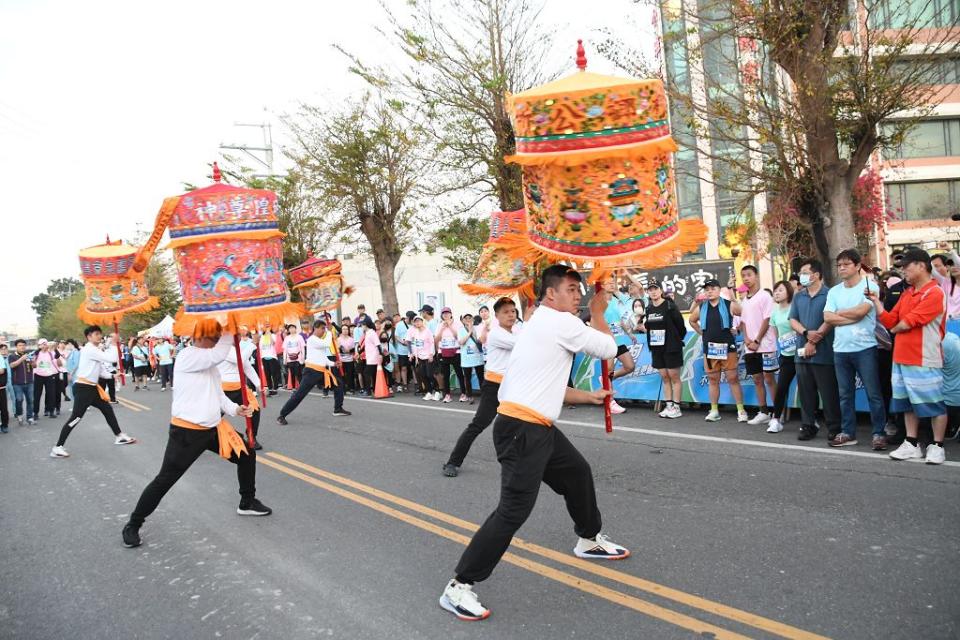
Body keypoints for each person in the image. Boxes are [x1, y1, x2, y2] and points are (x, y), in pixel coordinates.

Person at [439, 266, 629, 622]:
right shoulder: (559, 322)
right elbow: (606, 348)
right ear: (550, 293)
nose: (578, 296)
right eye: (571, 290)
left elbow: (544, 384)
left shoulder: (539, 323)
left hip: (532, 426)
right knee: (513, 511)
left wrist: (588, 397)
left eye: (580, 291)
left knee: (576, 473)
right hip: (522, 430)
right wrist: (601, 312)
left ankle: (588, 538)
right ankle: (459, 586)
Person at [122, 320, 270, 548]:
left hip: (213, 428)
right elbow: (220, 353)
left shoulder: (209, 360)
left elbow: (218, 394)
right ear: (203, 337)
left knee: (247, 453)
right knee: (165, 480)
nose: (218, 340)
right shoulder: (188, 356)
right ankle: (133, 523)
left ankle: (247, 501)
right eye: (215, 336)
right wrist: (232, 330)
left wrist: (235, 409)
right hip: (187, 432)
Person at [870, 248, 949, 464]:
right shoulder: (907, 293)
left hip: (925, 357)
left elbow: (907, 322)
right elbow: (890, 320)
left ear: (922, 265)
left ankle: (937, 446)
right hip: (901, 357)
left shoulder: (935, 292)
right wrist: (877, 303)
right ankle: (912, 443)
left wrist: (896, 327)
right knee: (905, 404)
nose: (903, 270)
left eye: (907, 266)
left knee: (934, 403)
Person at [443, 298, 523, 477]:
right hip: (494, 386)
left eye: (513, 311)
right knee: (478, 425)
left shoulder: (517, 331)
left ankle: (521, 461)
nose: (511, 314)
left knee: (523, 424)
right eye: (506, 312)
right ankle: (453, 462)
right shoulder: (496, 333)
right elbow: (524, 345)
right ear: (497, 316)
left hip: (513, 387)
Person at [823, 249, 887, 449]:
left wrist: (840, 314)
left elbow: (862, 312)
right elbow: (827, 317)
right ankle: (848, 432)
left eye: (846, 264)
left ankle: (879, 433)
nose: (841, 268)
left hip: (865, 348)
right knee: (845, 394)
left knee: (873, 393)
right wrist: (847, 316)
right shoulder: (834, 291)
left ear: (858, 265)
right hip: (840, 349)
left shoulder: (870, 286)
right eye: (839, 265)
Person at [50, 325, 136, 458]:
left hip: (92, 388)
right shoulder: (89, 349)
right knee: (76, 418)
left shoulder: (95, 350)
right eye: (96, 334)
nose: (99, 336)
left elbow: (101, 371)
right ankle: (58, 447)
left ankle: (119, 436)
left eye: (99, 334)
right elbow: (111, 359)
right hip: (83, 388)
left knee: (107, 410)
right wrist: (114, 343)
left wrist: (112, 376)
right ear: (89, 337)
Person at [789, 259, 841, 441]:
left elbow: (830, 319)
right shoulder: (799, 296)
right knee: (806, 392)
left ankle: (834, 426)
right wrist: (805, 332)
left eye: (804, 272)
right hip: (801, 353)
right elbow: (792, 319)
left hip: (824, 352)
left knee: (828, 392)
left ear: (816, 274)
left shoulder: (830, 294)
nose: (801, 276)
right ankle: (808, 424)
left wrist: (814, 339)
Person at [689, 279, 746, 423]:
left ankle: (741, 410)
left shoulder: (729, 305)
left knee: (733, 378)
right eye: (707, 289)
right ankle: (714, 410)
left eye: (713, 288)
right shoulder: (701, 307)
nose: (709, 291)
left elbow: (745, 315)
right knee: (713, 380)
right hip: (710, 349)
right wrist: (702, 333)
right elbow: (692, 320)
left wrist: (738, 329)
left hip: (728, 348)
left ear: (719, 289)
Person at [276, 320, 350, 425]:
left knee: (339, 384)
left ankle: (338, 409)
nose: (324, 331)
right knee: (299, 394)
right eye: (322, 329)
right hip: (311, 372)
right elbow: (326, 343)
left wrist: (334, 364)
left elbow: (323, 358)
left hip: (322, 372)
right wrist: (329, 332)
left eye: (325, 329)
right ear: (316, 328)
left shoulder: (319, 340)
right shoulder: (312, 340)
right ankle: (282, 415)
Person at [737, 265, 778, 425]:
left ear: (756, 276)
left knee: (769, 379)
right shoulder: (745, 300)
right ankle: (763, 411)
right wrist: (747, 339)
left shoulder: (765, 296)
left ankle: (777, 412)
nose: (746, 278)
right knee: (757, 379)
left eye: (749, 275)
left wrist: (757, 340)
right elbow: (744, 322)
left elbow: (767, 319)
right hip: (750, 347)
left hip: (765, 345)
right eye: (743, 276)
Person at [643, 281, 686, 419]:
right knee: (664, 377)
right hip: (656, 348)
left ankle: (677, 407)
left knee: (674, 377)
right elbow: (648, 327)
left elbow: (681, 327)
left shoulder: (669, 306)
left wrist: (675, 340)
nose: (653, 292)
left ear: (661, 290)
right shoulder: (648, 308)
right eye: (650, 290)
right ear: (648, 292)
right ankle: (668, 406)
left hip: (672, 347)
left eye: (655, 289)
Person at [218, 333, 263, 450]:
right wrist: (253, 344)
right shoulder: (223, 348)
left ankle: (252, 437)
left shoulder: (236, 349)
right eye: (235, 335)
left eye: (238, 335)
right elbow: (240, 359)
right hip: (224, 390)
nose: (238, 337)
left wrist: (259, 384)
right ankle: (196, 438)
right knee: (213, 417)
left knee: (254, 410)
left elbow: (247, 366)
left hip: (240, 388)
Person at [601, 276, 635, 415]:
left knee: (630, 366)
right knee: (608, 370)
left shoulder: (617, 301)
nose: (611, 285)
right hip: (607, 341)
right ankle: (610, 402)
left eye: (612, 282)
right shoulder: (599, 302)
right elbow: (593, 320)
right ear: (602, 286)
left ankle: (606, 380)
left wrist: (629, 334)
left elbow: (621, 321)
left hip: (619, 340)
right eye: (607, 283)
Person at [767, 281, 797, 434]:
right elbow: (776, 333)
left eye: (780, 290)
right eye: (775, 290)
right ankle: (776, 420)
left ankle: (811, 421)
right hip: (786, 356)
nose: (776, 293)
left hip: (801, 355)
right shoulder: (774, 312)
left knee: (808, 388)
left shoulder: (795, 307)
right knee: (781, 388)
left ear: (789, 292)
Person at [435, 308, 466, 403]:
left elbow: (459, 337)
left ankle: (463, 393)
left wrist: (450, 326)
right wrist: (442, 328)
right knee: (446, 375)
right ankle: (447, 394)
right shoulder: (440, 325)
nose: (446, 315)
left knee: (459, 373)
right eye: (444, 314)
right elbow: (436, 339)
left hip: (456, 352)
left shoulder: (458, 324)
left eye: (447, 313)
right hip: (443, 352)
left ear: (451, 314)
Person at [408, 316, 438, 400]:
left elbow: (432, 343)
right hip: (420, 357)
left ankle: (437, 391)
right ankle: (429, 392)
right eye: (415, 321)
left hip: (428, 356)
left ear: (422, 321)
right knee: (423, 375)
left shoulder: (428, 331)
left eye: (419, 321)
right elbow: (414, 345)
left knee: (430, 374)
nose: (417, 323)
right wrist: (413, 355)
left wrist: (431, 354)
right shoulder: (415, 332)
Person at [458, 314, 485, 403]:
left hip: (477, 357)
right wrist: (469, 332)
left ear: (473, 319)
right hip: (466, 358)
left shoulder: (477, 329)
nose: (468, 319)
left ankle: (484, 395)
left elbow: (481, 340)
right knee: (467, 378)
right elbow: (461, 342)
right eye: (466, 318)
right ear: (463, 320)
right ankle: (469, 395)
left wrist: (474, 332)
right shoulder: (461, 330)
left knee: (481, 377)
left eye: (470, 318)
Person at [8, 339, 35, 425]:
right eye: (20, 345)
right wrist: (21, 359)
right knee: (19, 400)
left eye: (23, 345)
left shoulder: (28, 355)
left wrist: (32, 361)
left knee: (30, 400)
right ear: (16, 347)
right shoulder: (12, 356)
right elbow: (12, 365)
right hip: (17, 383)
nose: (22, 347)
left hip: (30, 382)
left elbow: (35, 366)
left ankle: (30, 417)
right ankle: (19, 415)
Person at [932, 241, 960, 318]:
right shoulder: (945, 282)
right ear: (947, 267)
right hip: (949, 325)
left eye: (956, 264)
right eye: (950, 265)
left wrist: (950, 250)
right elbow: (931, 270)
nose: (954, 267)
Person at [360, 317, 382, 396]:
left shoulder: (372, 333)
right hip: (370, 357)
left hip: (373, 357)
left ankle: (368, 391)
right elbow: (365, 346)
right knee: (372, 374)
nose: (361, 326)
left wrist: (380, 355)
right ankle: (374, 390)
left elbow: (378, 345)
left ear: (366, 325)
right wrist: (359, 353)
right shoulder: (368, 333)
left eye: (362, 325)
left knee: (366, 373)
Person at [259, 326, 281, 395]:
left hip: (272, 357)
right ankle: (270, 388)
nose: (266, 329)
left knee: (274, 373)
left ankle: (275, 388)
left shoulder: (273, 335)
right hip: (264, 357)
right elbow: (260, 348)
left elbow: (272, 343)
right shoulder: (262, 337)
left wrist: (269, 334)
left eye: (267, 327)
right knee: (267, 374)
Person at [282, 324, 305, 389]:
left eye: (293, 328)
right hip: (290, 359)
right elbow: (285, 349)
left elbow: (302, 347)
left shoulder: (299, 337)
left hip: (298, 358)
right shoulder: (287, 338)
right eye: (290, 328)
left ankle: (301, 387)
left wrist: (303, 358)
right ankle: (294, 387)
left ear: (295, 329)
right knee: (292, 374)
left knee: (299, 373)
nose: (292, 329)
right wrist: (284, 359)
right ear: (288, 330)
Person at [337, 325, 358, 394]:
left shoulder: (351, 339)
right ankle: (343, 389)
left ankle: (351, 388)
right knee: (342, 375)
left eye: (346, 329)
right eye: (343, 329)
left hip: (350, 359)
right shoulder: (338, 339)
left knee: (350, 374)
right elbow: (337, 349)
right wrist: (342, 349)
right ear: (341, 330)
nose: (345, 330)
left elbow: (354, 349)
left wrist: (349, 351)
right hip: (341, 360)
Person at [0, 344, 9, 433]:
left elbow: (2, 370)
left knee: (3, 408)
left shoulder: (0, 357)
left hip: (1, 387)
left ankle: (5, 425)